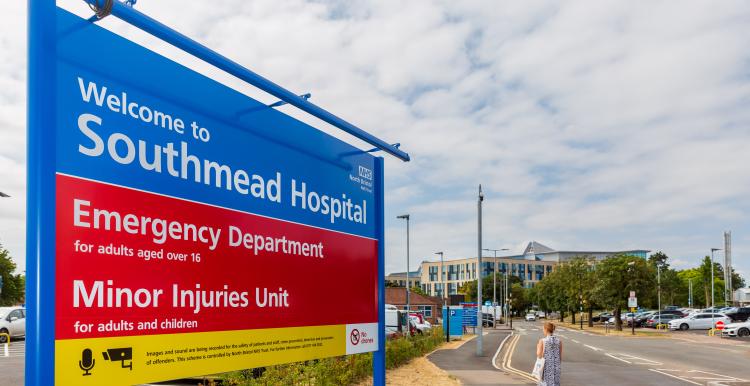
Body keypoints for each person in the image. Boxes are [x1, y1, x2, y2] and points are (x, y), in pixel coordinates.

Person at [536, 321, 562, 386]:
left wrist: (537, 347)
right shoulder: (559, 341)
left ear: (546, 329)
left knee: (545, 383)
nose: (543, 330)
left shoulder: (542, 341)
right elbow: (560, 357)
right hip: (556, 367)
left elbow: (539, 355)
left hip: (546, 367)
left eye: (543, 329)